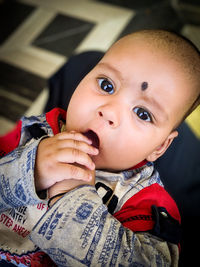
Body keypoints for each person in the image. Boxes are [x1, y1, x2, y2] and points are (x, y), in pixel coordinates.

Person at [0, 29, 200, 267]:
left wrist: (72, 200)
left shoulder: (146, 207)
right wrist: (27, 169)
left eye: (142, 113)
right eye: (106, 85)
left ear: (159, 147)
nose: (109, 111)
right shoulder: (35, 131)